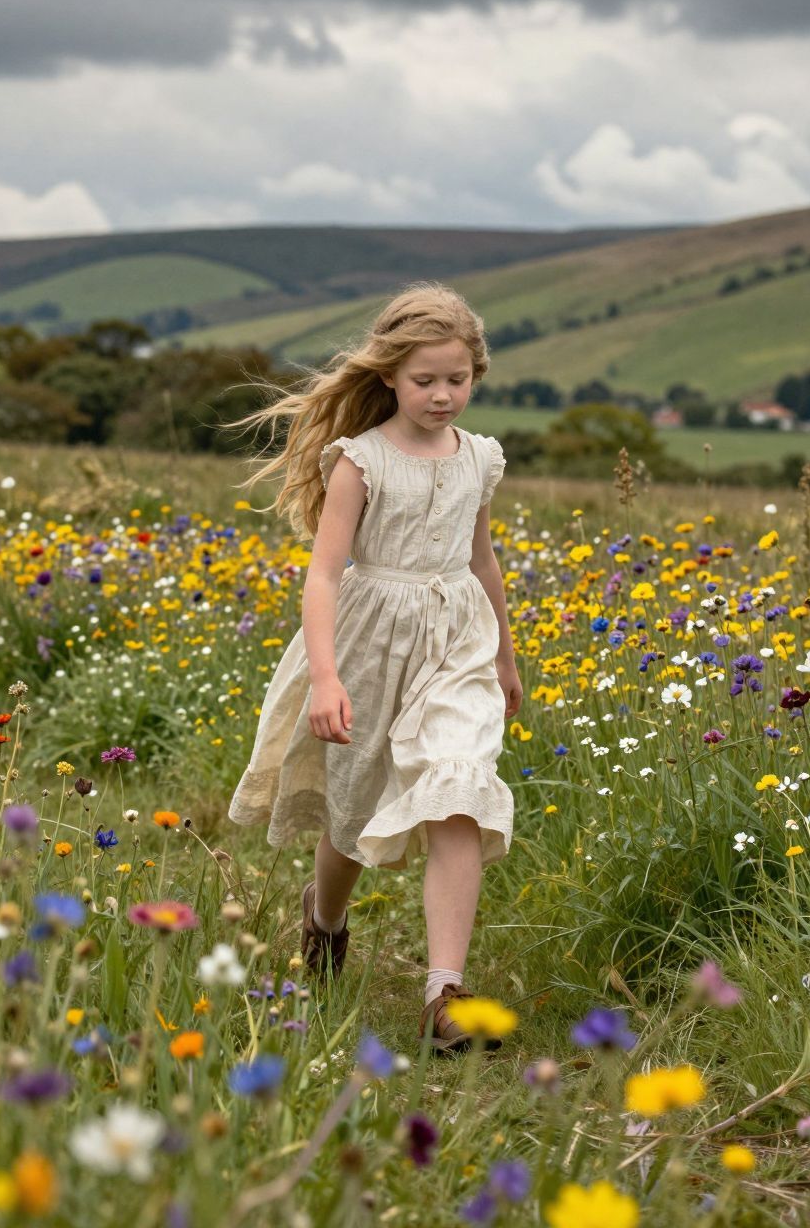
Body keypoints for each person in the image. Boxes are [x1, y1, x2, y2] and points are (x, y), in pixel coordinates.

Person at [226, 283, 522, 1052]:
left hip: (457, 645)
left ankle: (444, 994)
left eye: (457, 379)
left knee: (458, 786)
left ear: (475, 374)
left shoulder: (480, 462)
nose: (443, 394)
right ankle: (323, 920)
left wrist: (505, 659)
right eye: (426, 380)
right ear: (389, 375)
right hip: (367, 643)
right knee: (350, 815)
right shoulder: (361, 461)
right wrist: (325, 678)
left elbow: (483, 564)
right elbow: (323, 575)